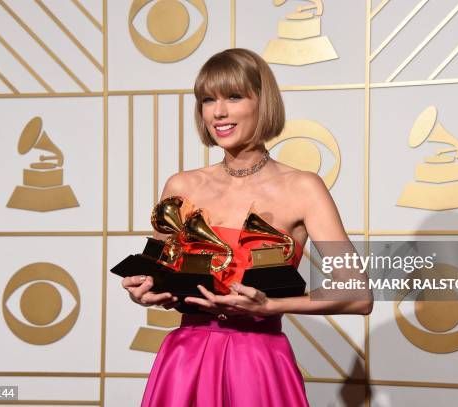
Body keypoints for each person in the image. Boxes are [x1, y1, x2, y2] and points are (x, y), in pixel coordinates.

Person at [122, 48, 373, 407]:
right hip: (184, 362)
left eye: (234, 97)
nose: (218, 112)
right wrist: (143, 289)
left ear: (263, 102)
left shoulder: (302, 187)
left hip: (257, 363)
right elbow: (155, 272)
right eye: (208, 100)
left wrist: (272, 304)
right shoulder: (181, 186)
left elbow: (358, 295)